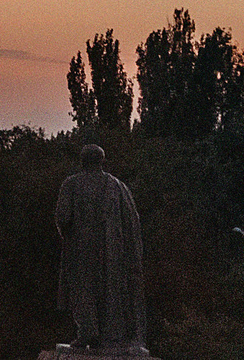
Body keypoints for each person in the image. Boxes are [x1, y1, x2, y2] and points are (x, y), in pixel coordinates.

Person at [55, 142, 146, 352]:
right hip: (111, 250)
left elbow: (63, 216)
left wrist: (68, 236)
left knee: (82, 289)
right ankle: (107, 333)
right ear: (102, 161)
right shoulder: (117, 186)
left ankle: (87, 331)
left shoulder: (72, 184)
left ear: (82, 161)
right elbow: (131, 222)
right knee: (108, 291)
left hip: (80, 248)